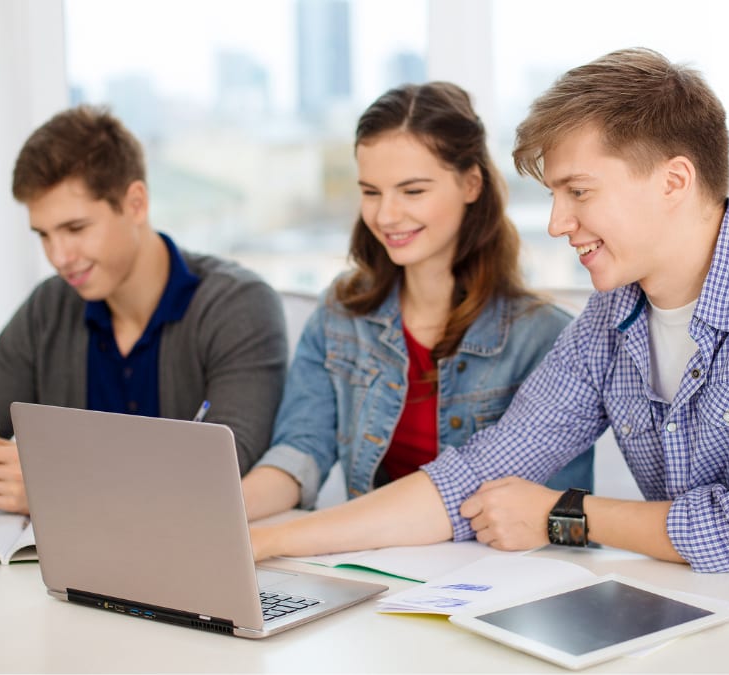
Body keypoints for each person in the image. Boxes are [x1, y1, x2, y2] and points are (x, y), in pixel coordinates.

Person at [247, 50, 729, 670]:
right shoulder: (613, 315)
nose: (559, 224)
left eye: (578, 192)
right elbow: (482, 471)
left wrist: (564, 514)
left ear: (674, 182)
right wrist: (263, 542)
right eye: (555, 195)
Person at [239, 82, 593, 520]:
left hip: (491, 573)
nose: (385, 215)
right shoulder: (342, 312)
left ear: (471, 184)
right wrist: (220, 516)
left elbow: (556, 516)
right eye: (371, 192)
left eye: (412, 191)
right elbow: (300, 452)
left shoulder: (545, 337)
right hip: (370, 558)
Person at [0, 105, 289, 514]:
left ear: (135, 204)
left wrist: (55, 485)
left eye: (76, 229)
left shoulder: (238, 306)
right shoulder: (50, 306)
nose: (59, 256)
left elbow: (224, 469)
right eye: (44, 234)